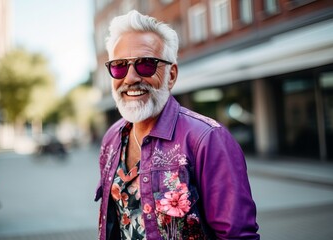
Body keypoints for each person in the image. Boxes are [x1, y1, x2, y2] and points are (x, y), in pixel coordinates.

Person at [95, 10, 260, 240]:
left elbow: (237, 236)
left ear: (171, 75)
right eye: (119, 66)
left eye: (146, 64)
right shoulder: (112, 138)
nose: (130, 77)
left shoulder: (208, 139)